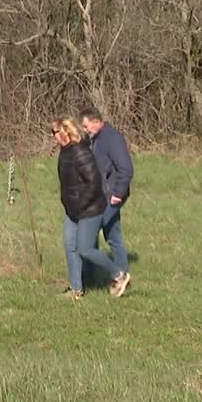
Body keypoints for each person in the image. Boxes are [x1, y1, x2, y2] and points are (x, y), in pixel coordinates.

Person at [52, 117, 128, 298]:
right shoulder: (64, 152)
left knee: (85, 249)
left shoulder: (81, 152)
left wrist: (80, 204)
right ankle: (76, 290)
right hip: (72, 210)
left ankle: (119, 275)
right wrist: (69, 204)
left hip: (90, 209)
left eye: (55, 132)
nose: (53, 136)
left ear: (65, 132)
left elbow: (93, 184)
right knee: (70, 246)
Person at [79, 106, 133, 295]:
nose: (85, 130)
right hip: (102, 195)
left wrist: (118, 193)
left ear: (96, 121)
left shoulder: (112, 138)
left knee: (86, 244)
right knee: (113, 236)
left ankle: (116, 275)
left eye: (86, 126)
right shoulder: (96, 138)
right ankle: (123, 277)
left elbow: (126, 168)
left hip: (110, 197)